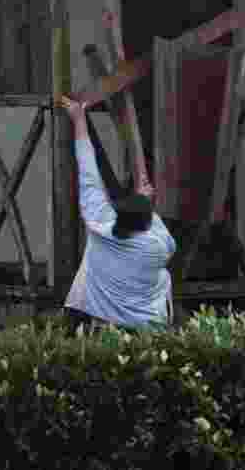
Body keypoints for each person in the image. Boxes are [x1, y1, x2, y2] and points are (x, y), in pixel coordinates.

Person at [59, 95, 176, 336]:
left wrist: (79, 120)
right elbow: (161, 234)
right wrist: (145, 199)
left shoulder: (100, 224)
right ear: (147, 221)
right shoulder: (157, 245)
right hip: (144, 329)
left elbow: (88, 170)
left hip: (95, 319)